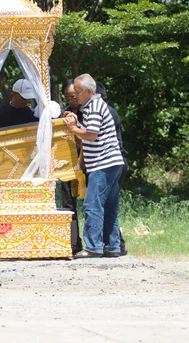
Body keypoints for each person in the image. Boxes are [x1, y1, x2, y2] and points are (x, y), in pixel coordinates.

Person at [63, 74, 125, 258]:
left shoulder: (95, 106)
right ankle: (113, 246)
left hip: (103, 163)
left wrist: (73, 129)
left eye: (78, 92)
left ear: (89, 91)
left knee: (92, 204)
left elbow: (91, 135)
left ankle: (92, 247)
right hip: (111, 162)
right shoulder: (91, 106)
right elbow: (90, 130)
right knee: (109, 206)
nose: (76, 96)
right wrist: (76, 123)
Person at [96, 81, 128, 256]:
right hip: (117, 162)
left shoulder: (101, 111)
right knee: (109, 206)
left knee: (103, 206)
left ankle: (114, 244)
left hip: (109, 163)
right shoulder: (110, 110)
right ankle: (116, 245)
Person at [59, 79, 83, 254]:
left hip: (88, 161)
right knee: (68, 205)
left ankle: (98, 241)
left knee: (93, 203)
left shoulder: (89, 111)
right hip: (67, 163)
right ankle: (74, 242)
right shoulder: (62, 114)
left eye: (74, 97)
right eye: (67, 97)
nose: (71, 100)